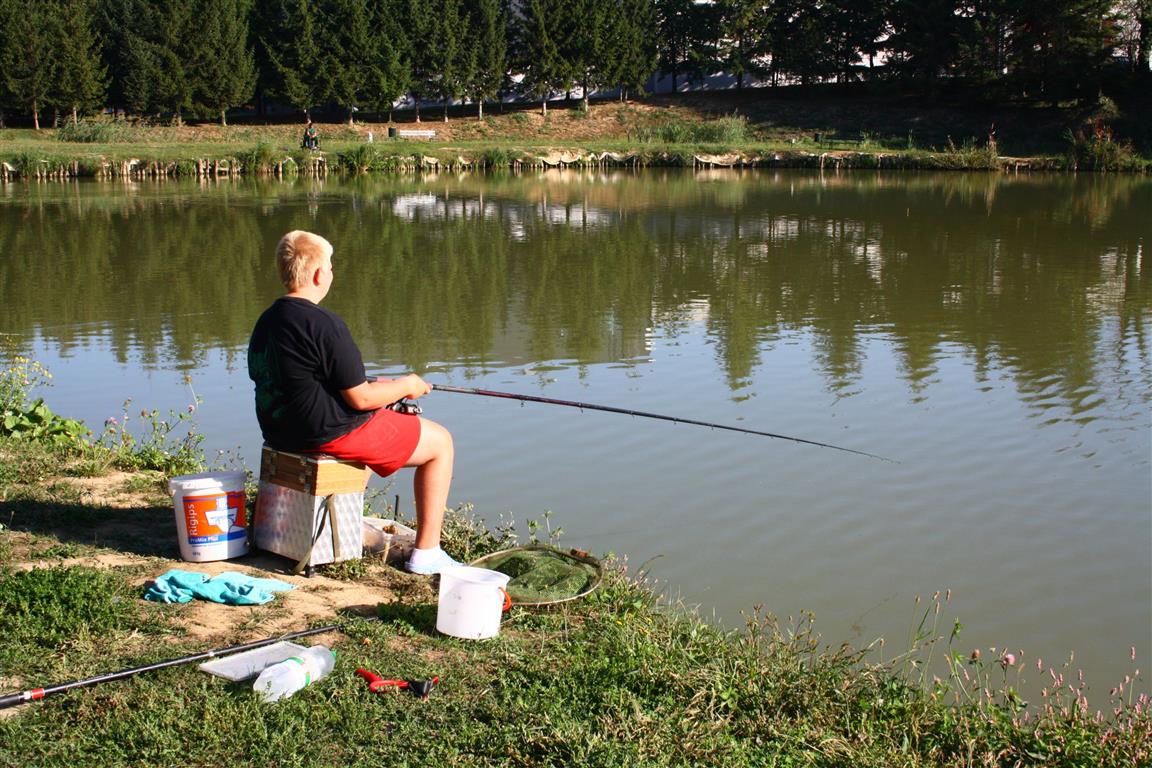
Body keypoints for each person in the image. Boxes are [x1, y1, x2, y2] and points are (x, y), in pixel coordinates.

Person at [248, 230, 459, 575]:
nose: (332, 272)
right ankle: (427, 553)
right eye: (331, 266)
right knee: (440, 443)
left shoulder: (267, 321)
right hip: (326, 433)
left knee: (383, 408)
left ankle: (346, 524)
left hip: (280, 431)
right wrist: (408, 384)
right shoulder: (324, 323)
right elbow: (360, 398)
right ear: (320, 274)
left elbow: (304, 380)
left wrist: (385, 391)